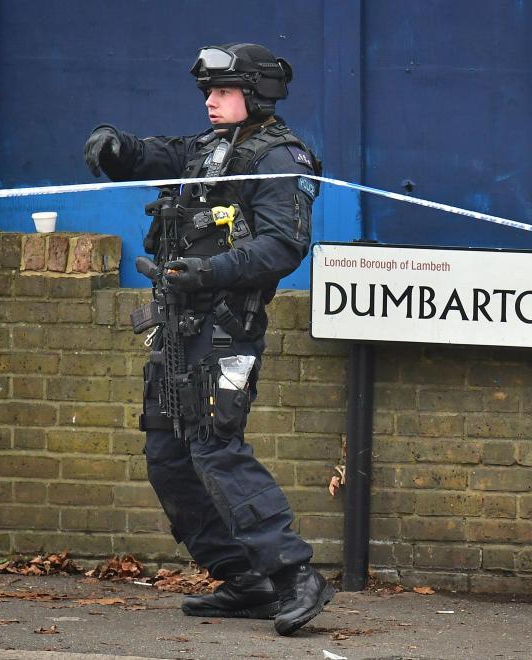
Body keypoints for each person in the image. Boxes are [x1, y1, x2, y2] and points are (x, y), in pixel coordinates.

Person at [83, 43, 332, 636]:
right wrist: (115, 145)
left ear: (256, 93)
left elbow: (282, 247)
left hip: (226, 326)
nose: (211, 102)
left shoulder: (280, 159)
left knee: (217, 449)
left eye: (221, 92)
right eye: (207, 94)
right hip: (176, 325)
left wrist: (209, 271)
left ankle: (295, 575)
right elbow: (153, 155)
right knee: (168, 455)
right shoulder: (209, 150)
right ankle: (244, 577)